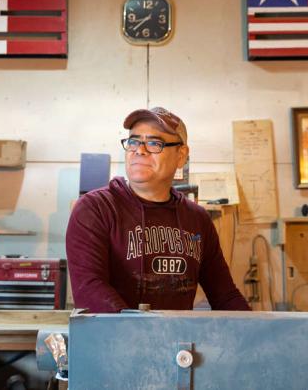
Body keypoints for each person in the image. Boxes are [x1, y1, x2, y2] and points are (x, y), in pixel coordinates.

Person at [66, 106, 250, 312]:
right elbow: (90, 291)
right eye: (134, 141)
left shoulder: (197, 219)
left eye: (154, 143)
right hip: (115, 342)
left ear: (181, 155)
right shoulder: (96, 209)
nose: (139, 150)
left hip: (177, 342)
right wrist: (149, 335)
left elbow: (225, 295)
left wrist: (258, 334)